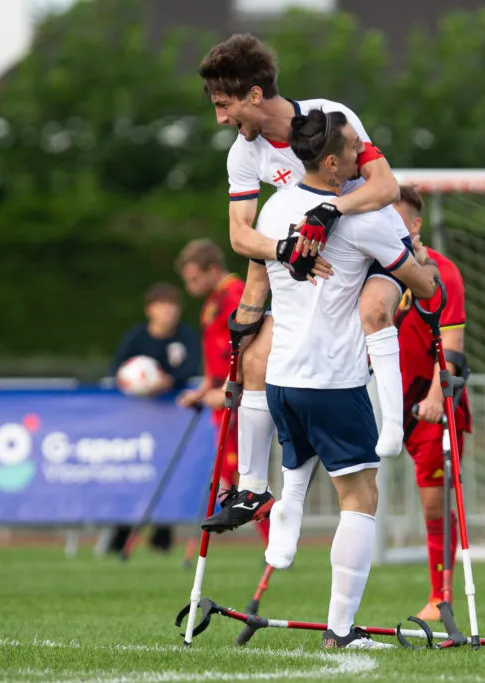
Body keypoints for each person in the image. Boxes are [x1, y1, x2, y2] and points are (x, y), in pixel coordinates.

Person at [235, 109, 439, 649]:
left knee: (297, 465)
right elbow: (422, 286)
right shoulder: (364, 216)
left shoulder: (277, 208)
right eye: (353, 151)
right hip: (333, 379)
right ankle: (341, 630)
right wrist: (421, 265)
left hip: (279, 379)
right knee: (360, 496)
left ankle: (286, 516)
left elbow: (256, 266)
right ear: (331, 163)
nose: (362, 158)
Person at [195, 34, 410, 534]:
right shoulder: (244, 155)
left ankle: (393, 426)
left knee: (374, 312)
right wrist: (285, 251)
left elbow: (386, 187)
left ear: (253, 95)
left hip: (377, 251)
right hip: (316, 264)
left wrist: (328, 211)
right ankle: (251, 490)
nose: (222, 119)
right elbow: (240, 236)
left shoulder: (331, 116)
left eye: (225, 106)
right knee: (253, 359)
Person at [391, 185, 472, 621]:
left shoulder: (443, 272)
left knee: (434, 500)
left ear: (416, 223)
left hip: (428, 401)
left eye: (396, 215)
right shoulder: (375, 268)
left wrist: (439, 398)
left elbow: (453, 349)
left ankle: (440, 597)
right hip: (386, 402)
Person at [175, 239, 270, 548]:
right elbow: (212, 354)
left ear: (212, 269)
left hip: (235, 396)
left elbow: (245, 345)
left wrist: (235, 388)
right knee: (231, 471)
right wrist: (203, 388)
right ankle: (267, 543)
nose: (190, 286)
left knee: (247, 475)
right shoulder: (211, 301)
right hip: (219, 395)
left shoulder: (236, 295)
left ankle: (275, 543)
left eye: (194, 278)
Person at [107, 282, 202, 553]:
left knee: (167, 473)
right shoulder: (137, 336)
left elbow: (191, 366)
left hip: (172, 419)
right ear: (150, 310)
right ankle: (119, 536)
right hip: (137, 421)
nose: (168, 312)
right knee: (134, 475)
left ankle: (163, 536)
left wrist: (167, 381)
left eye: (173, 306)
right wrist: (131, 382)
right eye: (162, 306)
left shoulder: (184, 336)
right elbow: (117, 368)